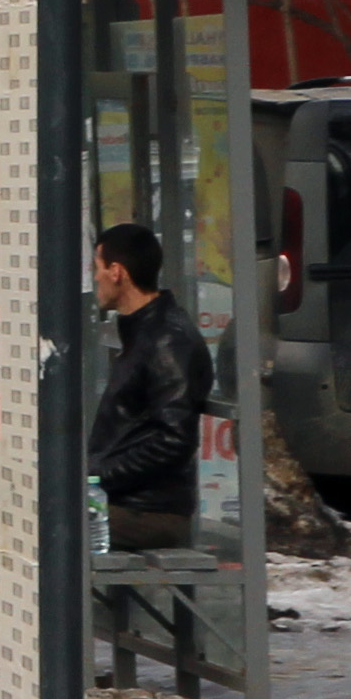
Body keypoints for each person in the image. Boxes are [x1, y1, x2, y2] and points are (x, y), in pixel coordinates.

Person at [90, 221, 214, 555]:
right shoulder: (143, 331)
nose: (94, 279)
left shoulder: (166, 339)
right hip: (125, 503)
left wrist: (96, 476)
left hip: (149, 512)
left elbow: (173, 439)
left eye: (97, 268)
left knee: (43, 527)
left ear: (117, 272)